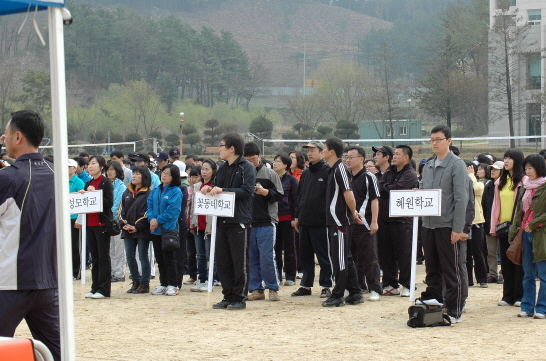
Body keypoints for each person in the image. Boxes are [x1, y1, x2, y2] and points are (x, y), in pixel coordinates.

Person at [0, 110, 60, 360]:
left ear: (17, 137)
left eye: (6, 133)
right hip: (49, 281)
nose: (3, 138)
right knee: (58, 352)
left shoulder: (9, 177)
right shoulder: (57, 173)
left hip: (10, 282)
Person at [420, 125, 469, 324]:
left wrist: (458, 228)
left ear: (449, 141)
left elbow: (461, 199)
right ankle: (435, 305)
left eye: (438, 139)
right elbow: (424, 192)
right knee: (431, 269)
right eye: (432, 139)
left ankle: (455, 308)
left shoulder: (456, 164)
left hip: (447, 225)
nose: (434, 143)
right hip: (428, 225)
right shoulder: (429, 165)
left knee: (452, 269)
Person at [202, 133, 255, 310]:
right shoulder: (222, 168)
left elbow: (247, 191)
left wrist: (222, 189)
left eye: (222, 145)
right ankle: (227, 295)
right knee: (223, 261)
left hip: (239, 220)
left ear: (231, 148)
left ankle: (239, 297)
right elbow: (216, 186)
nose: (219, 148)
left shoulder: (246, 167)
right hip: (221, 221)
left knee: (239, 261)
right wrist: (209, 189)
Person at [321, 137, 363, 307]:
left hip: (340, 221)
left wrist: (353, 213)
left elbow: (349, 194)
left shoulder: (340, 169)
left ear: (332, 152)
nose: (321, 151)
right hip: (335, 220)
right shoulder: (332, 169)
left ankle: (338, 294)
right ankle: (355, 292)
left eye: (324, 149)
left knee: (340, 259)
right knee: (345, 257)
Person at [291, 140, 334, 299]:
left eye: (313, 150)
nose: (310, 153)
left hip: (321, 221)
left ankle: (326, 285)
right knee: (305, 256)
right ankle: (306, 285)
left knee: (324, 255)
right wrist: (297, 216)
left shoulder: (327, 171)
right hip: (305, 221)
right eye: (308, 150)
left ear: (322, 152)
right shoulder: (306, 174)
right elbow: (300, 197)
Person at [244, 142, 283, 302]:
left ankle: (273, 288)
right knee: (251, 258)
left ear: (259, 156)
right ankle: (256, 289)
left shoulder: (270, 174)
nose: (251, 163)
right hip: (248, 222)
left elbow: (279, 194)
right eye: (248, 160)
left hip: (267, 222)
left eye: (253, 159)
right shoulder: (243, 173)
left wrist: (266, 192)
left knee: (267, 257)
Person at [378, 145, 418, 297]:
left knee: (404, 254)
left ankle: (408, 285)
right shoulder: (389, 172)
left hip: (402, 220)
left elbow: (399, 190)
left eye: (397, 154)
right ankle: (390, 283)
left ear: (406, 157)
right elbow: (381, 188)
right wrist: (390, 188)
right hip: (385, 217)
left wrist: (389, 188)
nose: (394, 157)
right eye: (393, 154)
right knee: (386, 253)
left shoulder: (410, 174)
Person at [509, 154, 546, 318]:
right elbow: (519, 212)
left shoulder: (544, 186)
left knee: (544, 274)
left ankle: (542, 308)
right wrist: (514, 229)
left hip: (541, 235)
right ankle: (527, 307)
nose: (528, 171)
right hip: (525, 234)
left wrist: (534, 223)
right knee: (528, 273)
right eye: (526, 168)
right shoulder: (525, 186)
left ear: (539, 167)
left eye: (530, 168)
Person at [344, 146, 381, 301]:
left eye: (351, 157)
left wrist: (374, 222)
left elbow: (374, 200)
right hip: (348, 223)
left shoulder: (369, 177)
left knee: (369, 257)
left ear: (361, 159)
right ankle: (353, 287)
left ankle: (375, 289)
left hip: (364, 224)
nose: (347, 160)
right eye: (346, 157)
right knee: (349, 258)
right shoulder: (345, 176)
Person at [491, 149, 526, 307]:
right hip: (503, 227)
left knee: (518, 261)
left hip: (519, 228)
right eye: (505, 158)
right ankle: (508, 295)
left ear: (517, 161)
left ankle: (520, 295)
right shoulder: (500, 182)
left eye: (509, 158)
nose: (506, 161)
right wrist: (493, 226)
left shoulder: (524, 181)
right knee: (505, 262)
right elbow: (495, 206)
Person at [81, 155, 115, 299]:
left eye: (93, 163)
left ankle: (104, 289)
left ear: (101, 166)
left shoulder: (105, 182)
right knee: (94, 257)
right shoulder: (88, 182)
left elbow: (109, 202)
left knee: (103, 257)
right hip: (90, 224)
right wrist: (83, 195)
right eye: (89, 164)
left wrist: (93, 194)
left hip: (102, 224)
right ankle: (95, 287)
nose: (90, 166)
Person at [147, 163, 183, 296]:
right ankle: (163, 283)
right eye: (163, 172)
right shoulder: (156, 190)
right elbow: (149, 206)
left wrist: (158, 220)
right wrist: (151, 218)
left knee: (169, 258)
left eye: (168, 173)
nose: (164, 175)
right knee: (160, 258)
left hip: (168, 229)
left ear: (173, 177)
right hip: (155, 229)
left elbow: (173, 211)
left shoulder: (176, 191)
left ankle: (173, 284)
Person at [120, 165, 152, 294]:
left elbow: (148, 212)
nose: (134, 176)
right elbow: (121, 211)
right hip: (127, 229)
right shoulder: (127, 192)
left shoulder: (149, 193)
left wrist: (137, 227)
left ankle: (145, 283)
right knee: (129, 256)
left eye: (137, 174)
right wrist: (125, 224)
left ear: (144, 177)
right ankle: (135, 280)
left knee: (143, 256)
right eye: (133, 173)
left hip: (142, 230)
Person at [191, 160, 219, 292]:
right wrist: (192, 223)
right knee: (200, 255)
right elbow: (192, 207)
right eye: (202, 169)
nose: (204, 171)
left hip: (210, 226)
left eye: (207, 169)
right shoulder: (197, 187)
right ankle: (201, 279)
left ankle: (211, 280)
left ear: (213, 171)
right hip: (198, 225)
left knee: (210, 255)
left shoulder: (216, 186)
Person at [273, 154, 299, 286]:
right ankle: (277, 275)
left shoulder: (291, 180)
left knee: (289, 248)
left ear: (285, 165)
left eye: (278, 161)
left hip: (287, 218)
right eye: (275, 161)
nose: (275, 163)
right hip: (273, 219)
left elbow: (295, 200)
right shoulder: (271, 179)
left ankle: (290, 276)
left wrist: (295, 217)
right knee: (275, 248)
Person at [464, 160, 488, 288]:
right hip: (463, 222)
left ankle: (482, 278)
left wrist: (471, 176)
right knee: (465, 253)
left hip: (476, 222)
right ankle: (468, 279)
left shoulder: (479, 184)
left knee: (477, 252)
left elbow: (476, 189)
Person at [105, 161, 127, 282]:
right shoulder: (106, 184)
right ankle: (113, 272)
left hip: (117, 221)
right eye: (108, 169)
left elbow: (117, 205)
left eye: (112, 169)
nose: (109, 172)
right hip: (107, 221)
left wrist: (105, 212)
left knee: (119, 249)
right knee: (111, 249)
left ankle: (120, 273)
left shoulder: (122, 187)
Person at [483, 161, 503, 283]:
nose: (492, 171)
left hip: (504, 224)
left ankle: (503, 273)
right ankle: (493, 273)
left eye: (496, 169)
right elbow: (484, 204)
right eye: (491, 169)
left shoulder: (506, 185)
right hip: (490, 223)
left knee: (505, 251)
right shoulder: (489, 185)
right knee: (491, 251)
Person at [68, 158, 85, 279]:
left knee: (75, 246)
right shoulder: (60, 181)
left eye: (70, 167)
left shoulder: (78, 182)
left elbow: (82, 202)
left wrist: (79, 219)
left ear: (75, 169)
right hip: (63, 217)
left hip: (74, 217)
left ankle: (76, 271)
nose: (67, 169)